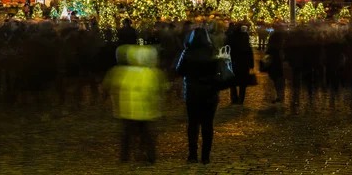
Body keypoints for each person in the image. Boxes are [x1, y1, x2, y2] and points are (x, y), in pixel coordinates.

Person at [104, 45, 166, 164]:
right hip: (145, 112)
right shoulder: (150, 73)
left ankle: (124, 156)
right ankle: (150, 157)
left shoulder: (121, 71)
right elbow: (155, 92)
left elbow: (112, 87)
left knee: (126, 135)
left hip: (126, 111)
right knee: (147, 135)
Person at [176, 26, 219, 165]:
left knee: (193, 123)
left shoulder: (187, 52)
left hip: (192, 92)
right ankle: (205, 156)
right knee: (208, 125)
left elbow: (179, 70)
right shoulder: (212, 52)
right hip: (210, 92)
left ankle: (192, 155)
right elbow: (218, 71)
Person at [226, 24, 254, 105]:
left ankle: (234, 98)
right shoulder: (245, 38)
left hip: (234, 62)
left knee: (233, 81)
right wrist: (251, 64)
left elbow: (227, 48)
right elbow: (249, 50)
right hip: (244, 63)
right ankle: (241, 99)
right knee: (243, 82)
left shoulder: (232, 37)